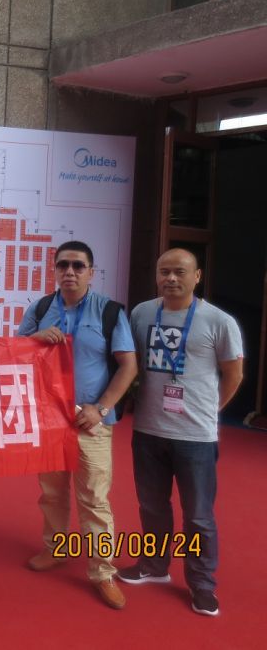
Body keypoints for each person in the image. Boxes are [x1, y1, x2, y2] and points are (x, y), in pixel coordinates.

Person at [117, 248, 243, 617]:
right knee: (152, 506)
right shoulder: (142, 313)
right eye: (164, 271)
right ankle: (154, 566)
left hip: (196, 437)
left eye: (180, 272)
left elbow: (234, 374)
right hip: (148, 429)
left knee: (198, 515)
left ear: (197, 276)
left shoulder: (218, 321)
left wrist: (210, 410)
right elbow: (130, 363)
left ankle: (202, 583)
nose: (171, 278)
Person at [18, 240, 137, 610]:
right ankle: (55, 549)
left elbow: (128, 366)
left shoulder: (109, 311)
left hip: (91, 422)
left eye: (78, 266)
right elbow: (13, 353)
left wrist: (100, 408)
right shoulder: (41, 309)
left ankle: (102, 572)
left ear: (91, 271)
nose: (70, 272)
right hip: (49, 418)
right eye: (63, 265)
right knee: (52, 493)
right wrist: (34, 339)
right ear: (55, 270)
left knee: (94, 498)